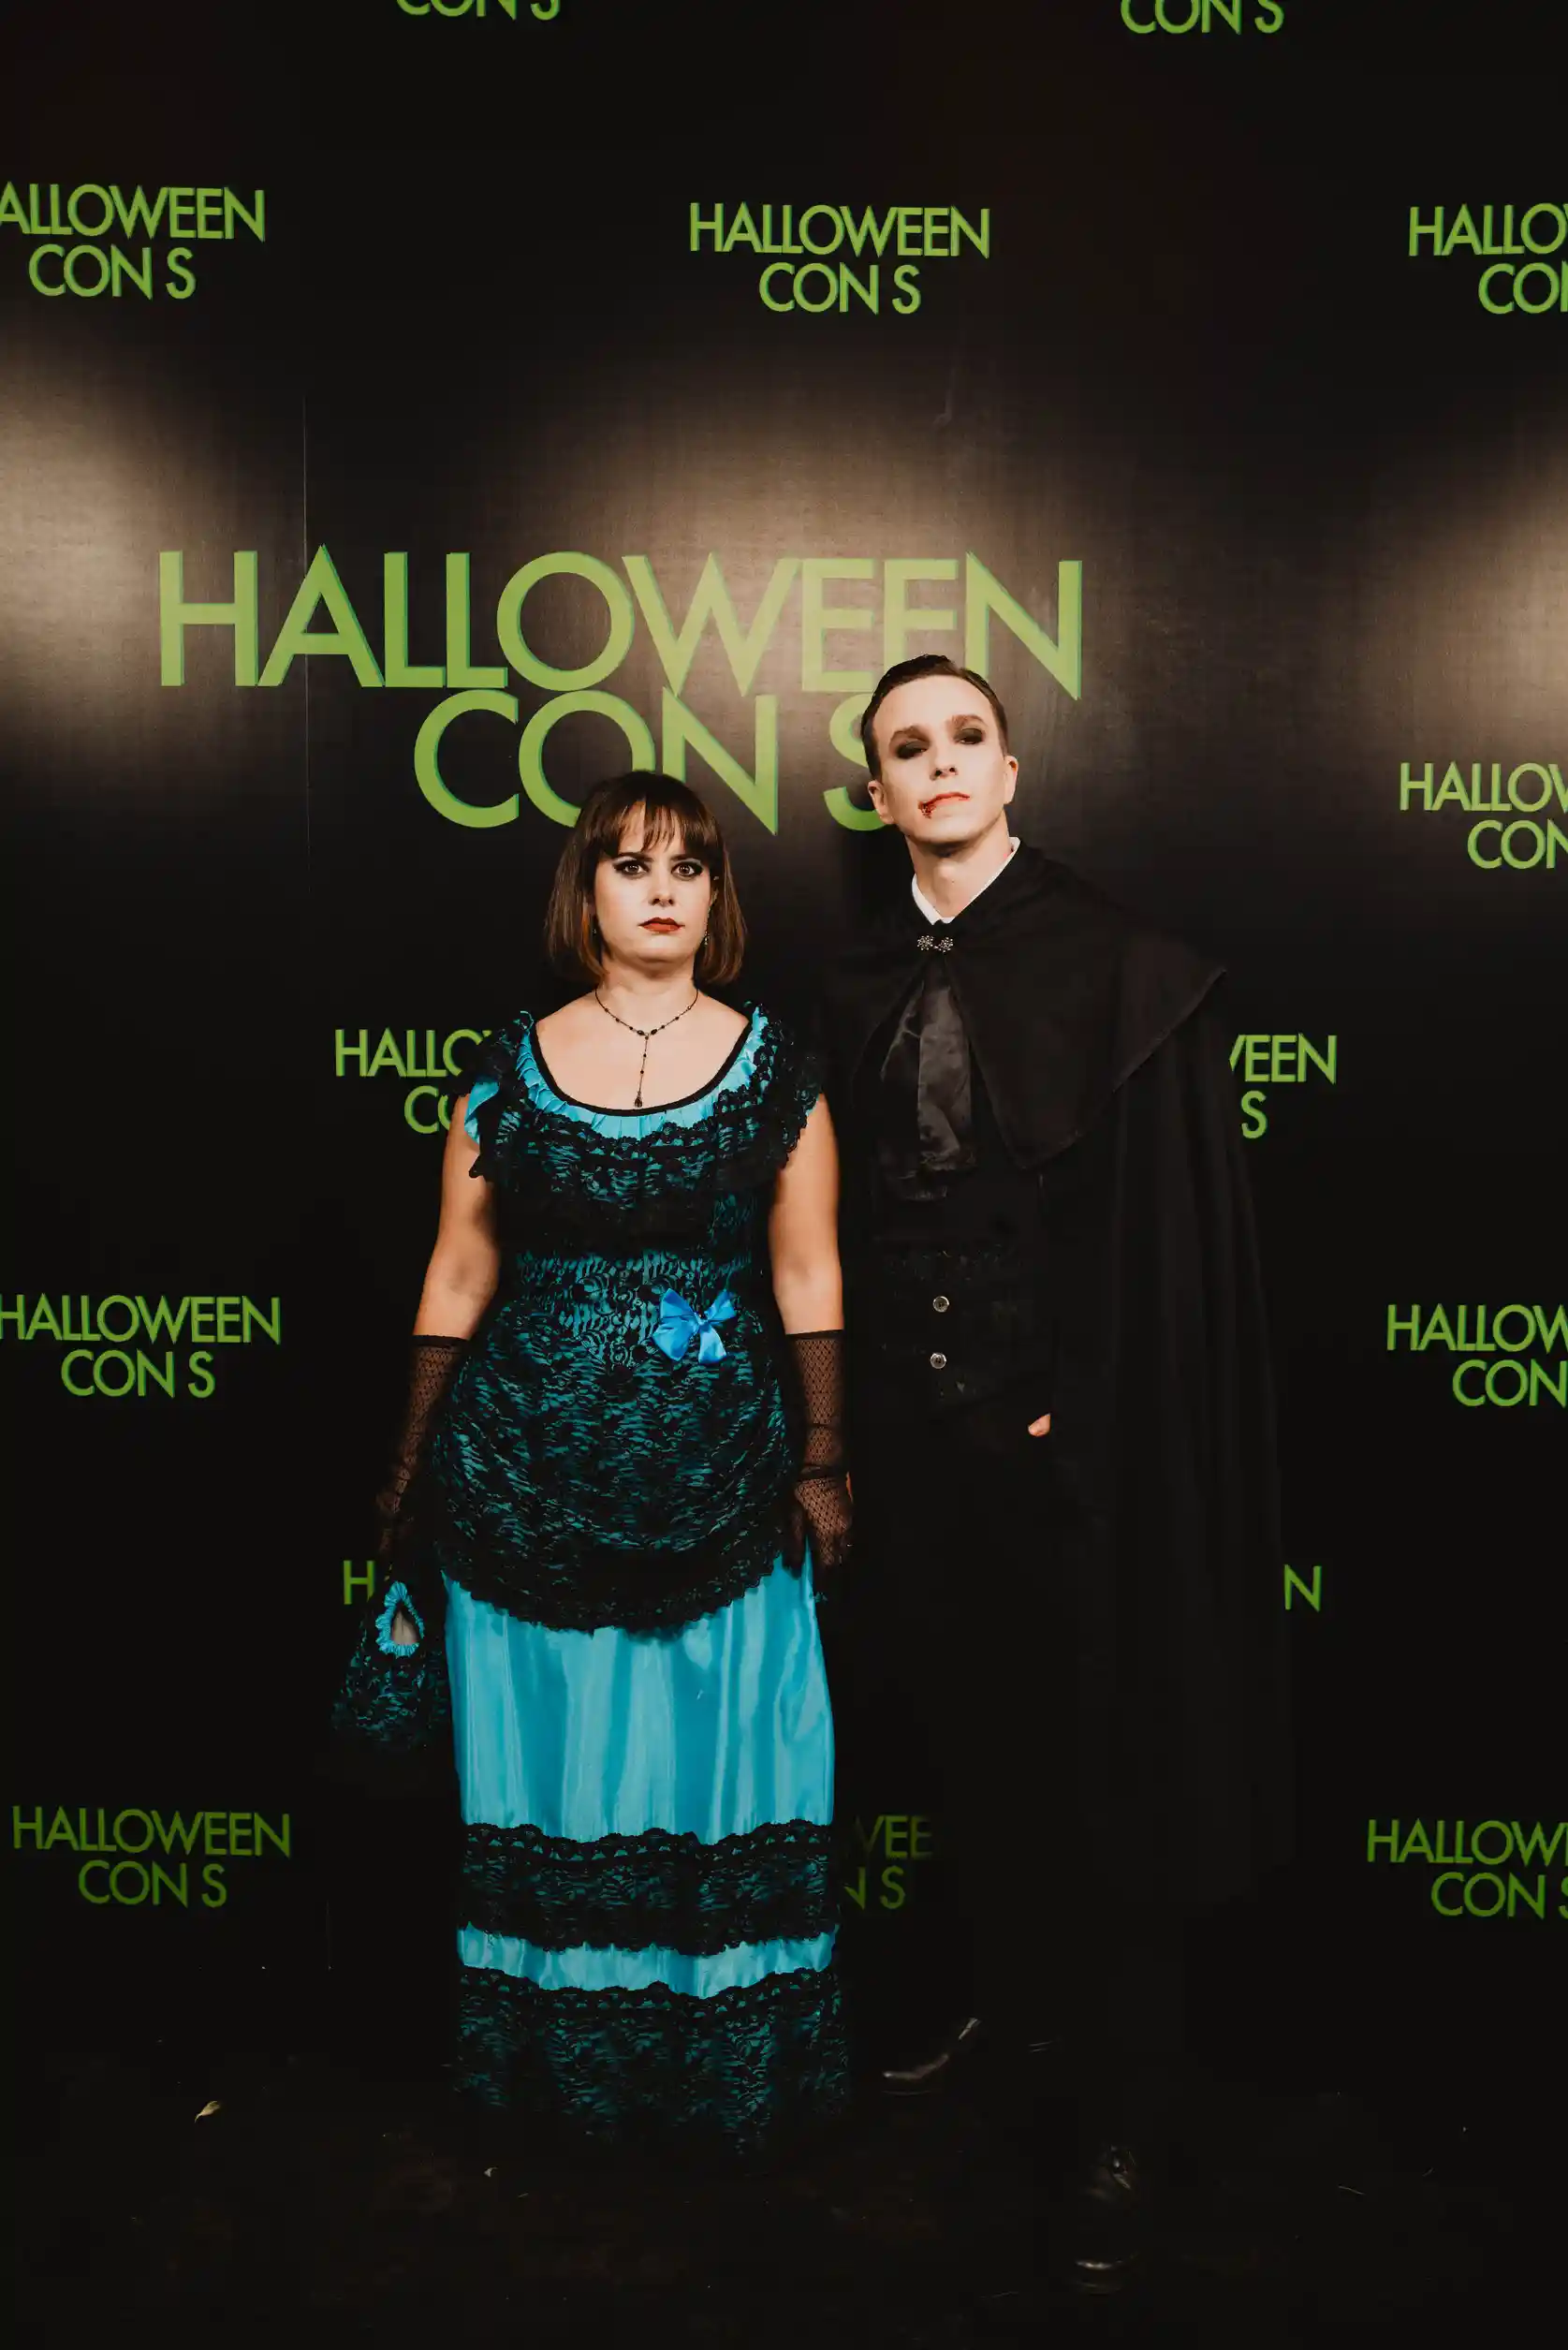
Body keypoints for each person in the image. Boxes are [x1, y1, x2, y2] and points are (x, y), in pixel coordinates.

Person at [819, 655, 1290, 2275]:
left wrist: (1071, 1406)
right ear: (876, 791)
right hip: (909, 1445)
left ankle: (1122, 2107)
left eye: (966, 737)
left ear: (1010, 770)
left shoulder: (1119, 963)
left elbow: (1157, 1246)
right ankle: (1005, 2024)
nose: (939, 764)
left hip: (1068, 1451)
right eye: (907, 747)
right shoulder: (853, 976)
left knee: (1108, 1758)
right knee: (966, 1742)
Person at [333, 772, 853, 2158]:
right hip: (523, 1480)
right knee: (554, 1773)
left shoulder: (779, 1070)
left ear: (717, 895)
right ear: (587, 892)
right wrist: (411, 1458)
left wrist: (822, 1457)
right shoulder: (504, 1070)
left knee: (720, 1766)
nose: (663, 889)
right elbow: (459, 1269)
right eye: (631, 864)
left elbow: (808, 1271)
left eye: (690, 866)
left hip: (726, 1482)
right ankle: (557, 2083)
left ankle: (718, 2072)